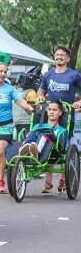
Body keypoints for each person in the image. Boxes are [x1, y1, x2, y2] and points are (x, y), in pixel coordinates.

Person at [37, 45, 81, 193]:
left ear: (68, 58)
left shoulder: (74, 75)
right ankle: (48, 183)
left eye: (62, 55)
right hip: (49, 113)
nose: (59, 57)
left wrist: (79, 102)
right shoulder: (48, 74)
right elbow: (41, 91)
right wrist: (40, 97)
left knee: (64, 146)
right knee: (48, 141)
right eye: (57, 54)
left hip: (66, 115)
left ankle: (63, 181)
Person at [0, 63, 33, 193]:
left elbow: (19, 100)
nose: (3, 74)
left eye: (5, 71)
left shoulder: (9, 89)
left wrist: (28, 107)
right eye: (0, 71)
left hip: (5, 125)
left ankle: (1, 181)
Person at [18, 101, 67, 168]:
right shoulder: (37, 126)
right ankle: (24, 148)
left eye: (54, 110)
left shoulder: (62, 130)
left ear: (60, 113)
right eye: (49, 109)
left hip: (50, 149)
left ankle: (35, 151)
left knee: (44, 134)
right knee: (33, 132)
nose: (51, 112)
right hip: (32, 143)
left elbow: (63, 146)